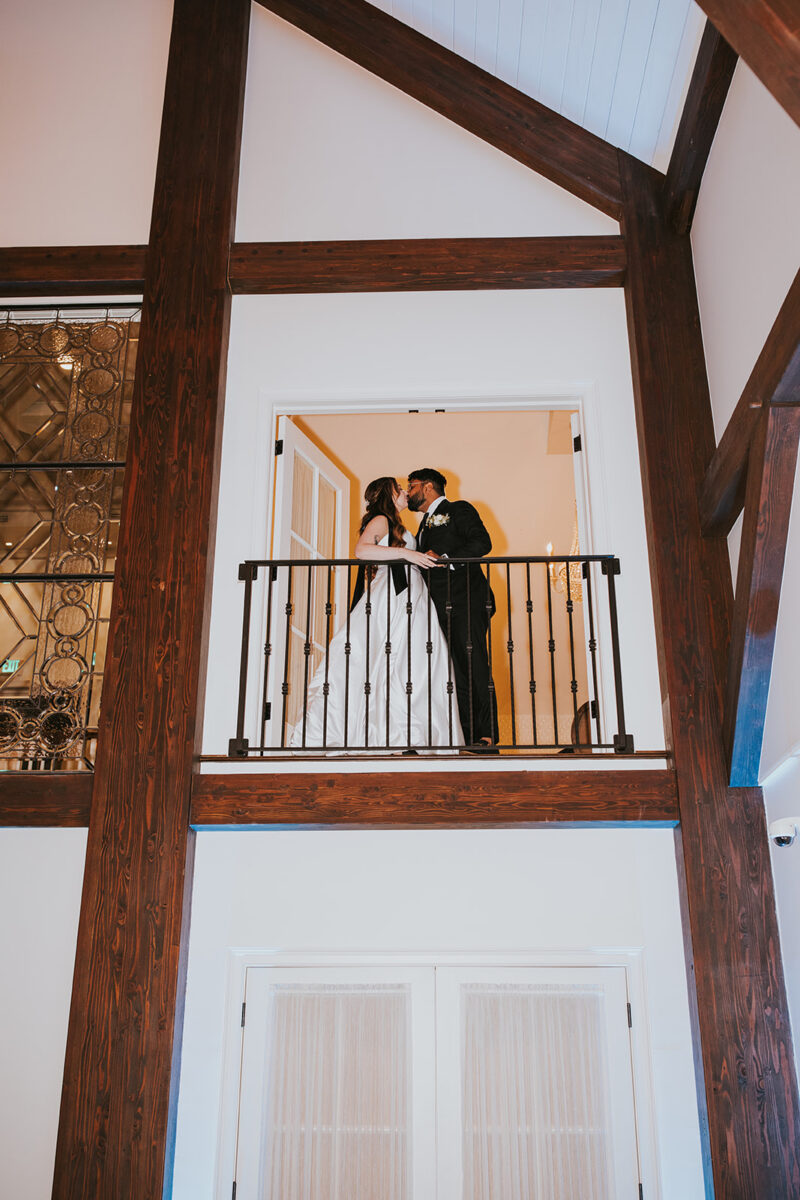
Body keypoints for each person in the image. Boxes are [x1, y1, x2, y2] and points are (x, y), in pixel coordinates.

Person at [290, 477, 464, 751]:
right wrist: (408, 556)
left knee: (414, 662)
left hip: (412, 593)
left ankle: (409, 734)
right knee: (386, 658)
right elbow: (361, 550)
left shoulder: (398, 524)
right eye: (400, 488)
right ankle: (386, 734)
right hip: (392, 593)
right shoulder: (381, 519)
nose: (406, 492)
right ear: (389, 493)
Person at [406, 468, 499, 751]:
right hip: (438, 607)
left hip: (465, 598)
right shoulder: (421, 527)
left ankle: (486, 735)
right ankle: (463, 734)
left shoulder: (458, 509)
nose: (408, 492)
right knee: (452, 670)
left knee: (473, 664)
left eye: (412, 486)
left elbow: (483, 543)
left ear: (429, 486)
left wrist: (446, 558)